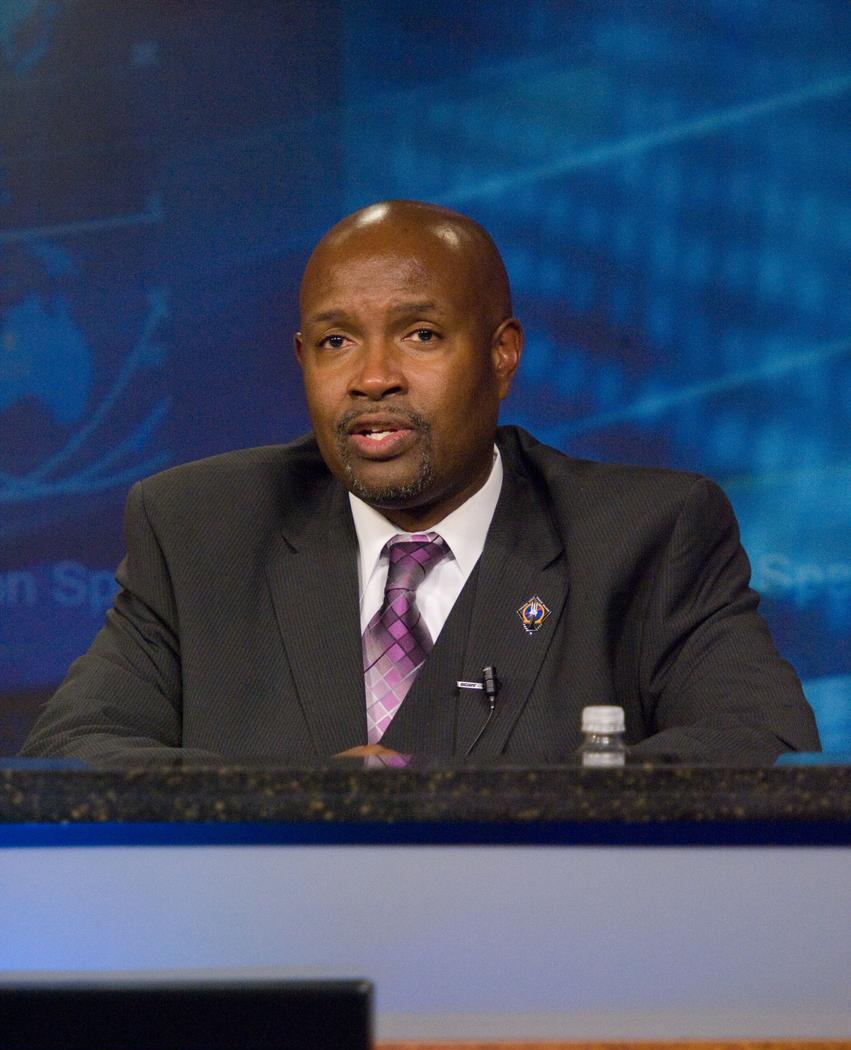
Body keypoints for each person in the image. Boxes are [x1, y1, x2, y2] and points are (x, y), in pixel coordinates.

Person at [21, 200, 820, 765]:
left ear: (502, 354)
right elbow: (72, 756)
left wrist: (439, 798)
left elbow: (762, 746)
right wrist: (299, 800)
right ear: (302, 360)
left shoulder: (647, 534)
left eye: (421, 334)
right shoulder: (199, 529)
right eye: (336, 342)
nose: (372, 377)